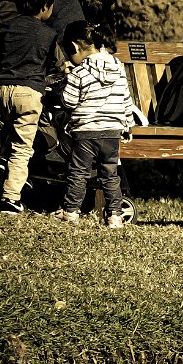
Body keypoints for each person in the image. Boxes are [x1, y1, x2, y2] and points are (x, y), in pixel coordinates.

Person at [0, 0, 60, 214]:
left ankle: (2, 163)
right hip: (28, 93)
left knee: (10, 134)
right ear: (45, 6)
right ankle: (10, 197)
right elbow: (56, 65)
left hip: (1, 90)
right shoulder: (48, 34)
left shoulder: (6, 28)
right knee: (23, 147)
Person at [51, 19, 135, 228]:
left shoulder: (80, 72)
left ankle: (70, 211)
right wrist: (127, 125)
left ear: (74, 46)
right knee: (110, 173)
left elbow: (69, 101)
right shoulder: (118, 68)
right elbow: (126, 99)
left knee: (79, 172)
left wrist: (64, 84)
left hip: (87, 132)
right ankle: (115, 216)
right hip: (112, 131)